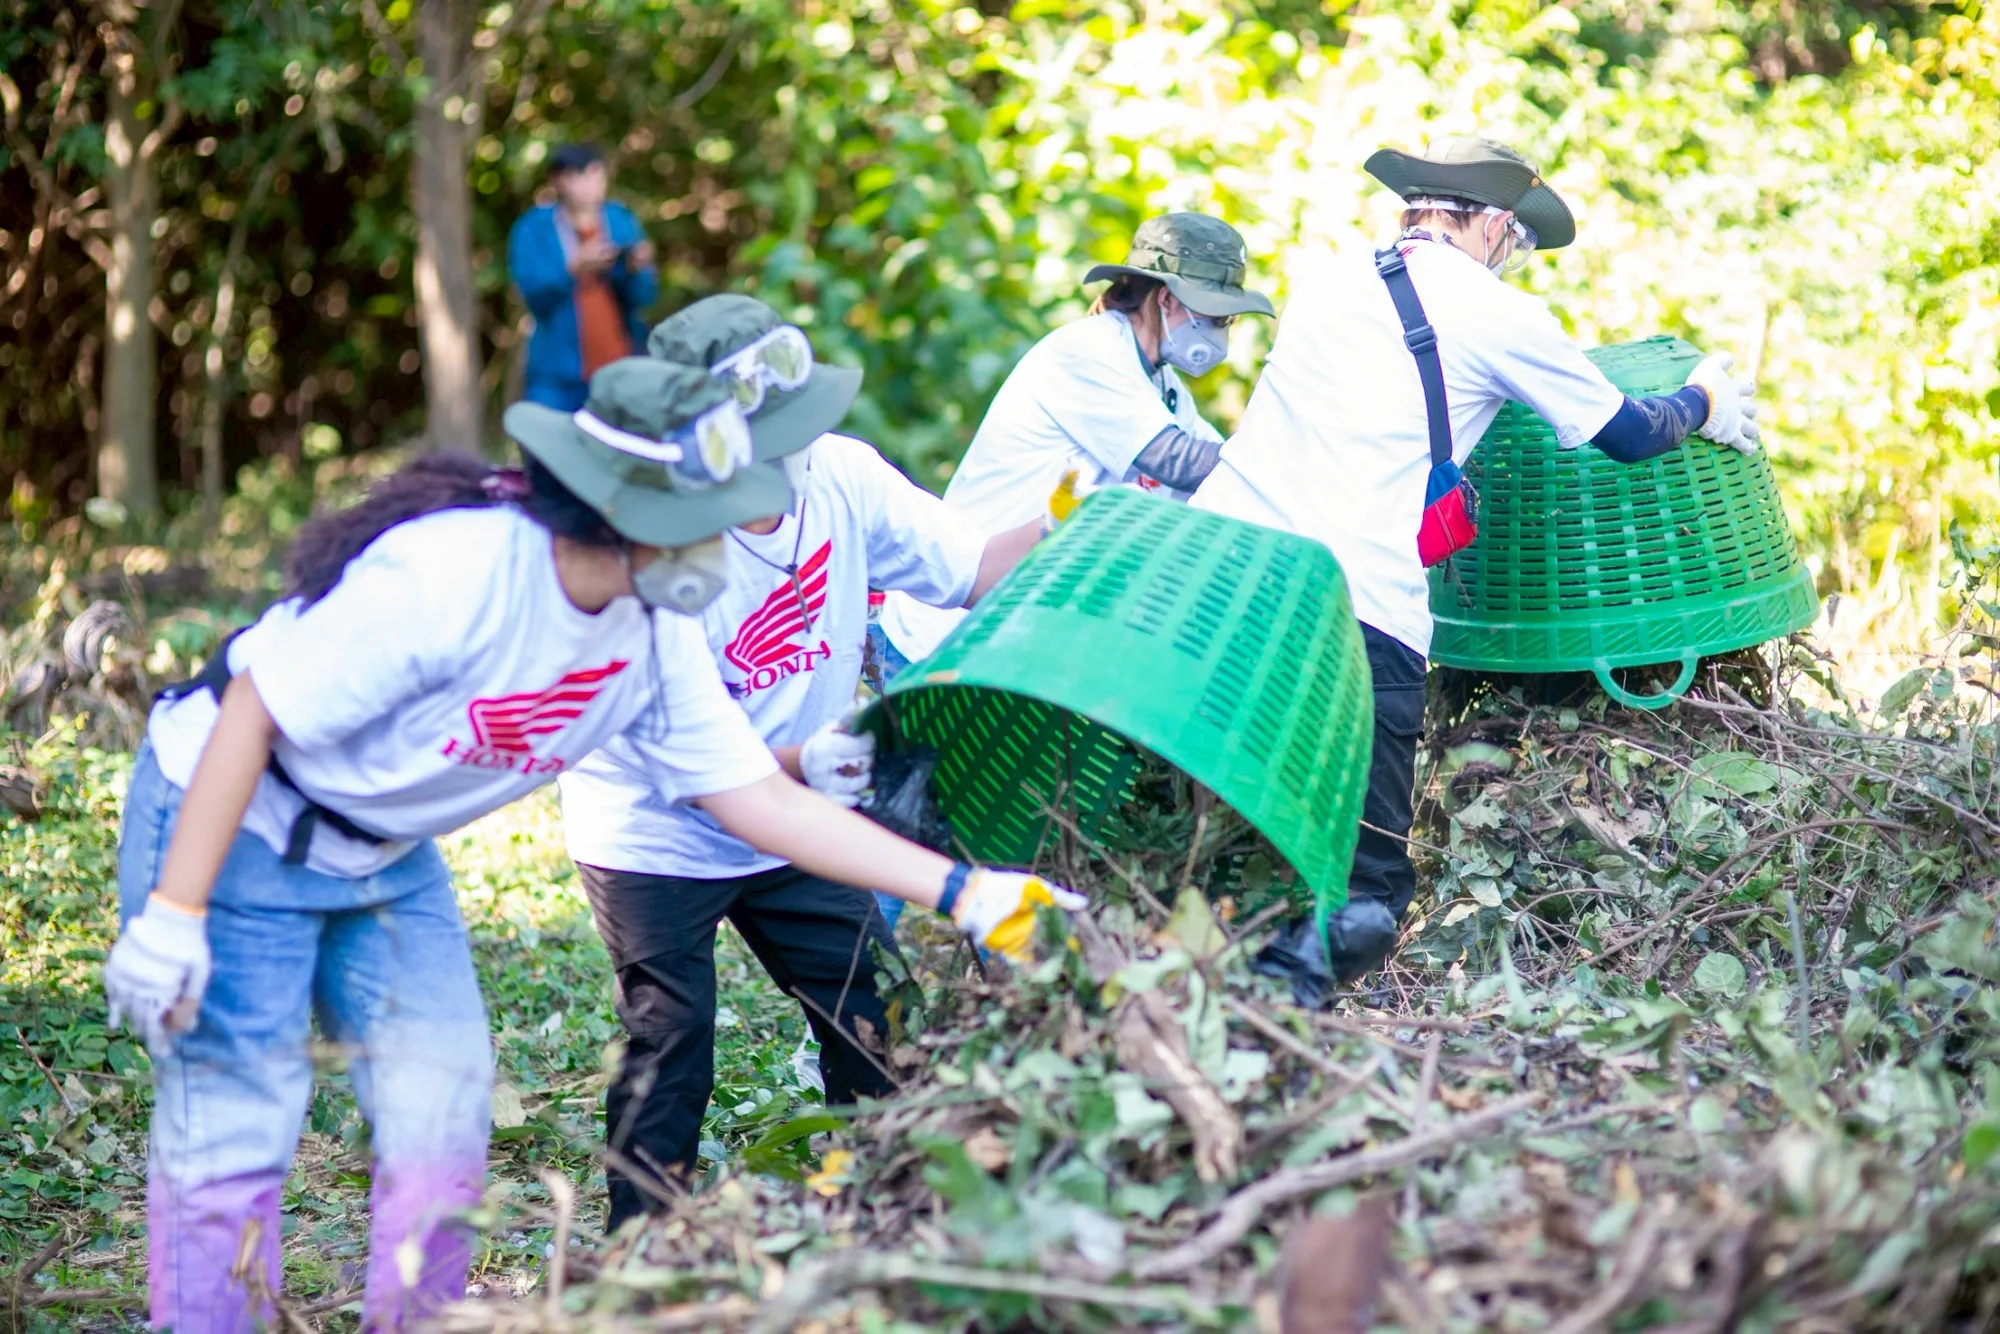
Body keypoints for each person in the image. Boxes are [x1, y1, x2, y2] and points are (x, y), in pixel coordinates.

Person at [101, 357, 1085, 1334]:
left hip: (383, 848)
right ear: (637, 513)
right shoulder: (459, 572)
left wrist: (965, 891)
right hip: (234, 816)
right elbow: (254, 705)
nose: (741, 530)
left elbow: (755, 798)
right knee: (240, 1123)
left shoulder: (654, 629)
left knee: (444, 1110)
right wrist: (176, 914)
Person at [1190, 136, 1762, 995]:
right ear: (1494, 224)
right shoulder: (1496, 312)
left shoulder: (1332, 281)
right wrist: (1705, 399)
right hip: (1350, 600)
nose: (1516, 262)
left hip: (1222, 570)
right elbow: (1630, 433)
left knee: (1235, 831)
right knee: (1368, 887)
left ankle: (1202, 997)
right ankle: (1308, 1050)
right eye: (1519, 245)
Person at [555, 296, 1052, 1229]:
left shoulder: (843, 476)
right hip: (654, 831)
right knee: (671, 1042)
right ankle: (637, 1253)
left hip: (798, 814)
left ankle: (887, 1206)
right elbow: (713, 779)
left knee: (878, 1012)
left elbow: (975, 565)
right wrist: (818, 762)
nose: (796, 453)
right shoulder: (658, 556)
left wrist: (1072, 516)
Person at [877, 212, 1273, 671]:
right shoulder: (1091, 353)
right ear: (1166, 299)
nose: (1222, 330)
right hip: (943, 635)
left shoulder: (1161, 386)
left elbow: (1224, 471)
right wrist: (1280, 456)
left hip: (1015, 643)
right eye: (1215, 315)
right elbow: (1181, 462)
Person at [508, 143, 660, 410]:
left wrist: (636, 270)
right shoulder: (534, 228)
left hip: (619, 361)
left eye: (595, 174)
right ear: (558, 181)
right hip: (558, 371)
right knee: (547, 445)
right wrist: (574, 269)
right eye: (579, 176)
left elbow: (644, 297)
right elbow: (533, 296)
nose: (590, 185)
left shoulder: (620, 219)